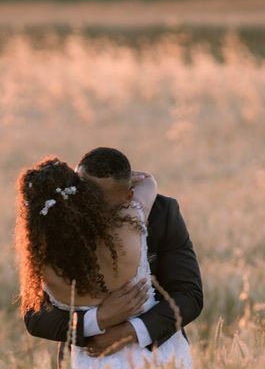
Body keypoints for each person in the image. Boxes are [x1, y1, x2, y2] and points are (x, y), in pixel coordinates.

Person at [16, 148, 203, 367]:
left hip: (158, 354)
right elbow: (35, 316)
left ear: (128, 195)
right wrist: (97, 319)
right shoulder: (55, 224)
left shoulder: (163, 213)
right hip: (88, 358)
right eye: (84, 191)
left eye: (101, 199)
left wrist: (131, 331)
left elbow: (189, 296)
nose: (90, 204)